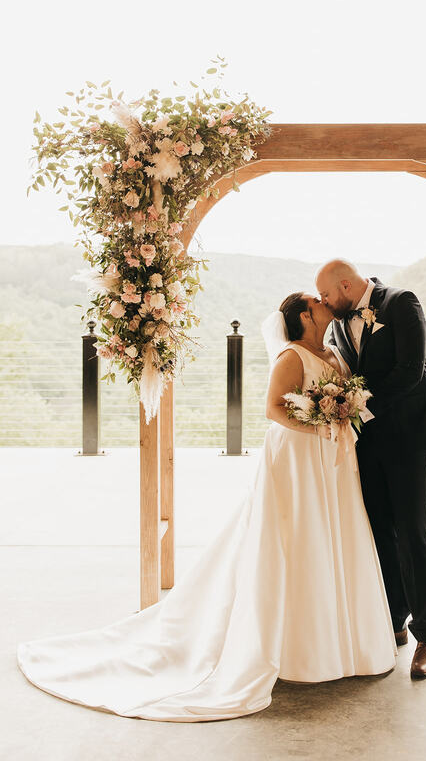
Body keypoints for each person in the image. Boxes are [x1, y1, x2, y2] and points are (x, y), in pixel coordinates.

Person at [16, 292, 396, 722]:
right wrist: (320, 423)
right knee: (298, 535)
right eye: (316, 300)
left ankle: (343, 644)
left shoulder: (332, 352)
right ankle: (300, 651)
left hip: (331, 461)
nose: (325, 301)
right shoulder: (291, 357)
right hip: (298, 459)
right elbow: (272, 409)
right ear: (306, 316)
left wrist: (340, 417)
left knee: (333, 536)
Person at [315, 259, 426, 679]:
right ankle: (393, 620)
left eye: (326, 295)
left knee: (413, 530)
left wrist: (359, 406)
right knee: (380, 532)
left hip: (408, 435)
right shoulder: (338, 325)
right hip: (366, 441)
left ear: (346, 285)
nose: (323, 302)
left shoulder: (401, 302)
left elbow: (411, 371)